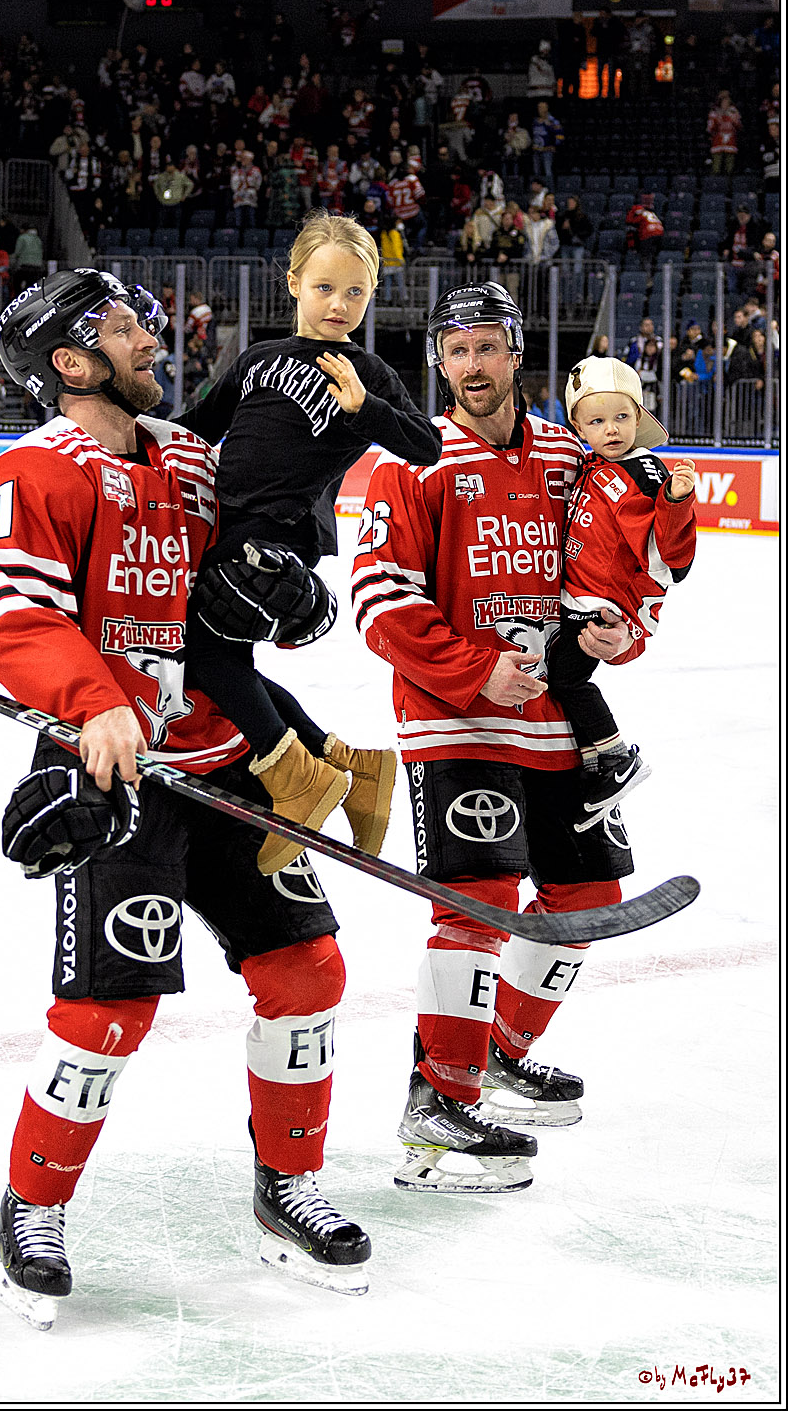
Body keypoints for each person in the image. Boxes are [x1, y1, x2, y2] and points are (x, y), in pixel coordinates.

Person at [0, 267, 372, 1328]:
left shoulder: (196, 461)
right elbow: (18, 618)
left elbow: (260, 584)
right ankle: (34, 1203)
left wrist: (293, 601)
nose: (155, 337)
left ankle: (287, 1183)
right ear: (71, 361)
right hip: (114, 771)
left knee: (308, 970)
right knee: (110, 1009)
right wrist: (87, 704)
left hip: (217, 759)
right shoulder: (35, 473)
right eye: (124, 327)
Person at [351, 281, 641, 1196]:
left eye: (489, 346)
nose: (473, 365)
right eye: (457, 349)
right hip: (454, 717)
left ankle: (502, 1055)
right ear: (438, 361)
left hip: (557, 719)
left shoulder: (567, 453)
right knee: (477, 903)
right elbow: (379, 597)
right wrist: (475, 668)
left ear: (518, 352)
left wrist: (617, 629)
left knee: (589, 894)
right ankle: (437, 1108)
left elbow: (617, 562)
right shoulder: (415, 456)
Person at [178, 211, 441, 876]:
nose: (339, 304)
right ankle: (353, 767)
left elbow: (428, 445)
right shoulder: (258, 359)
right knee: (215, 662)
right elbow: (192, 426)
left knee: (206, 656)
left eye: (355, 292)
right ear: (294, 283)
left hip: (275, 539)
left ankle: (301, 777)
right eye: (325, 288)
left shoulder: (367, 373)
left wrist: (366, 411)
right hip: (221, 529)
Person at [548, 357, 697, 823]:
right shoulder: (591, 463)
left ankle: (614, 758)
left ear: (639, 415)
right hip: (580, 597)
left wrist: (675, 500)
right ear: (577, 425)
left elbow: (673, 558)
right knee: (558, 674)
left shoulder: (644, 472)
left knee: (566, 677)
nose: (611, 429)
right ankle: (594, 762)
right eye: (596, 420)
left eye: (621, 417)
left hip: (603, 606)